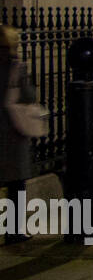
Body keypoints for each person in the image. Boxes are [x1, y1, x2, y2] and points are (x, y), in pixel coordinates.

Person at [0, 26, 37, 245]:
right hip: (13, 133)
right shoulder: (17, 68)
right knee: (16, 186)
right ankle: (13, 231)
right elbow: (29, 95)